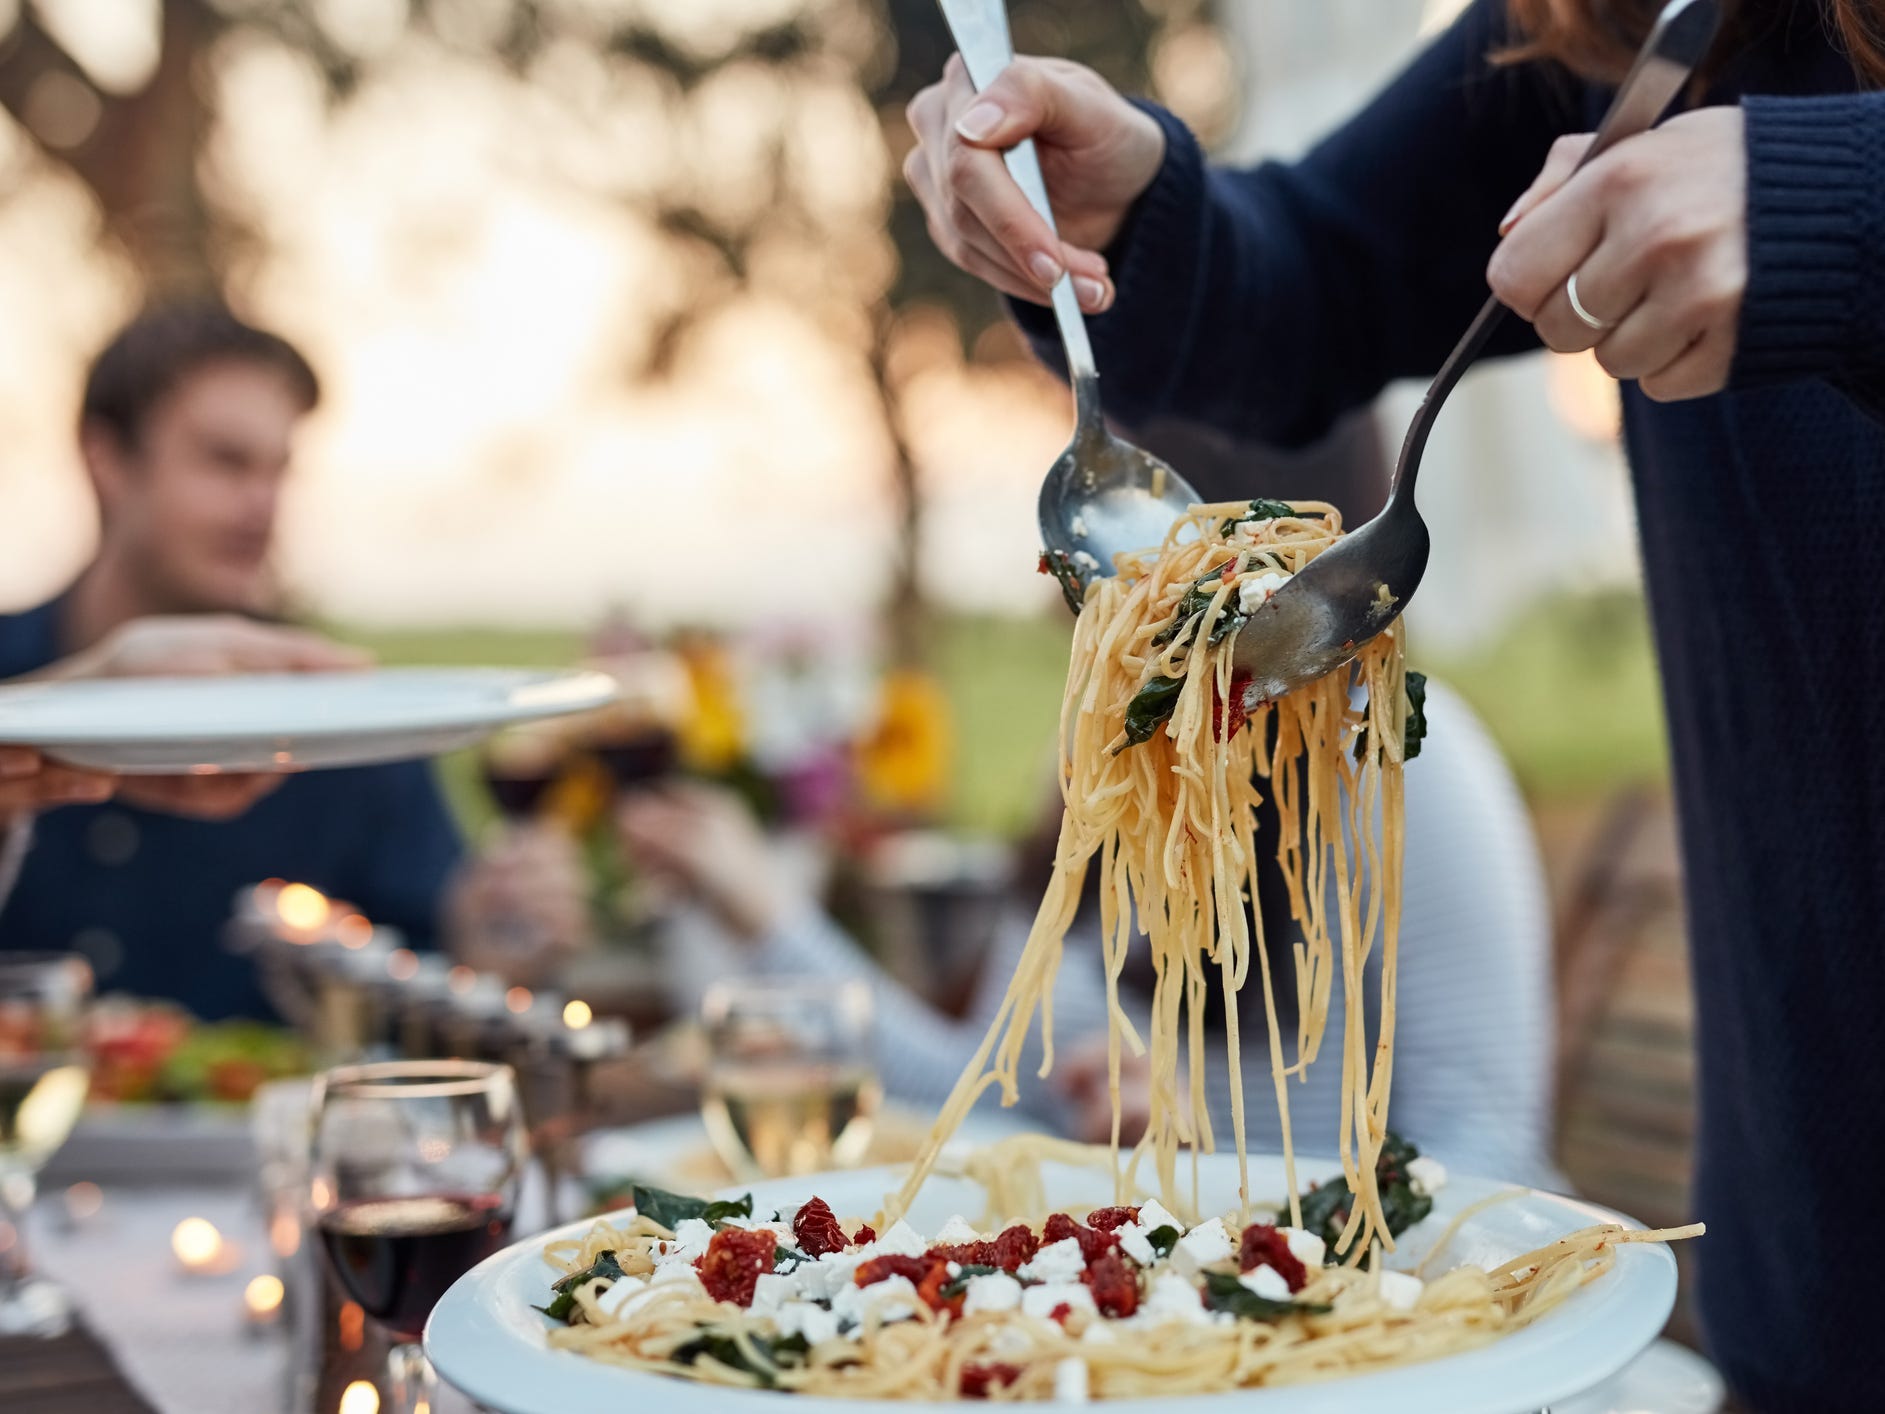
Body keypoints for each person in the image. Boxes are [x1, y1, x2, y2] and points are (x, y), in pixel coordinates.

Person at [901, 3, 1880, 1407]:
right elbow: (1321, 269)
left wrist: (1839, 206)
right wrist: (1133, 215)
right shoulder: (1635, 16)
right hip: (1814, 1254)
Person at [617, 673, 1557, 1186]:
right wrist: (764, 912)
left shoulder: (1384, 747)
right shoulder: (1110, 737)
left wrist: (1205, 1144)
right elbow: (976, 1098)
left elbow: (1486, 1154)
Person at [0, 303, 585, 1018]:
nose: (262, 505)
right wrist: (57, 714)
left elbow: (429, 979)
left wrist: (484, 948)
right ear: (107, 461)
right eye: (225, 461)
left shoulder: (341, 720)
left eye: (279, 469)